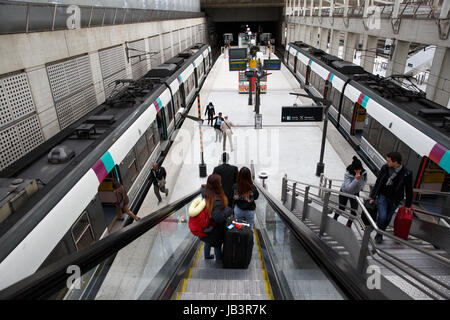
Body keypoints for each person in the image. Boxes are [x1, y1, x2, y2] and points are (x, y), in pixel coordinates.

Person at [369, 151, 413, 244]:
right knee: (382, 216)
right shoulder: (385, 168)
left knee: (388, 217)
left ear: (395, 162)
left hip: (395, 199)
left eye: (388, 161)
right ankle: (379, 234)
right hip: (383, 195)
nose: (386, 162)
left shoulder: (407, 173)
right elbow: (378, 182)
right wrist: (373, 196)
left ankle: (380, 232)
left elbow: (409, 190)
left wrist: (408, 205)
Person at [200, 174, 233, 260]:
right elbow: (218, 217)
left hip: (207, 227)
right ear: (216, 186)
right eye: (220, 183)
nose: (221, 184)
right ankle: (218, 261)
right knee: (217, 247)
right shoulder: (217, 200)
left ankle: (207, 256)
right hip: (215, 229)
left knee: (207, 242)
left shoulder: (205, 193)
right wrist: (228, 210)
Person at [333, 156, 367, 228]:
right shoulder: (348, 173)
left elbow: (361, 186)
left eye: (360, 170)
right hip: (344, 192)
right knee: (341, 208)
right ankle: (335, 218)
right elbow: (348, 189)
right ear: (354, 170)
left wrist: (359, 180)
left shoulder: (363, 173)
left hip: (355, 193)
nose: (359, 171)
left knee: (354, 211)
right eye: (357, 170)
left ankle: (349, 224)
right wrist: (356, 179)